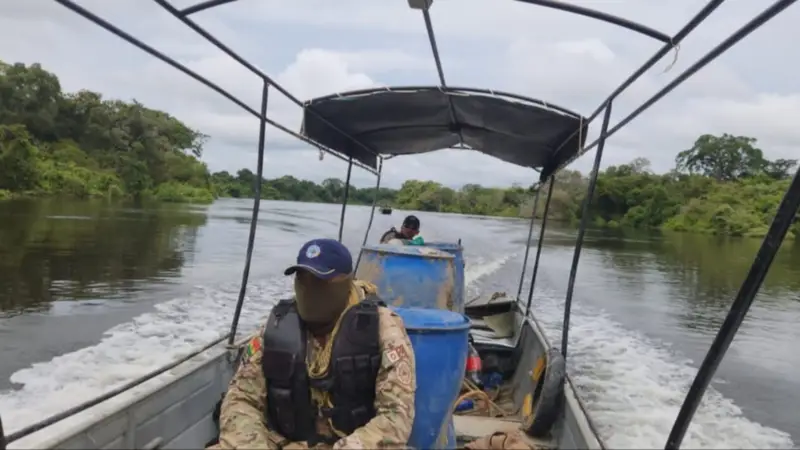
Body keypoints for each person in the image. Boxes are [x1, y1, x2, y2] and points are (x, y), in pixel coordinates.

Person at [212, 238, 416, 450]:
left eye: (319, 281)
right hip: (281, 442)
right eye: (302, 278)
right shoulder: (279, 324)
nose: (309, 289)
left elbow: (396, 416)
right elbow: (241, 397)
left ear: (345, 283)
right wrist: (252, 444)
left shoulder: (382, 328)